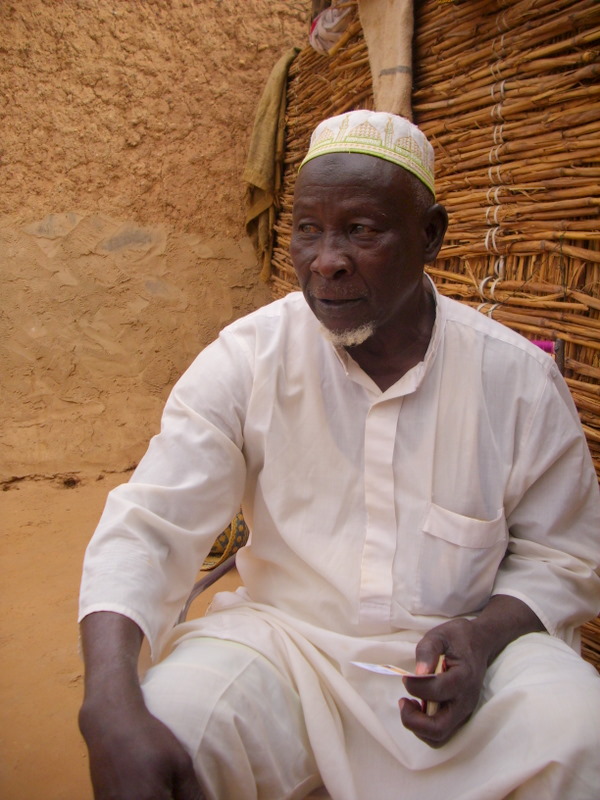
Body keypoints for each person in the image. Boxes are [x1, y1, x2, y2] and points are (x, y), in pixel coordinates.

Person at [78, 110, 600, 800]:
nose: (327, 259)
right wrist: (107, 705)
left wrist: (483, 637)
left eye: (361, 229)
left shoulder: (515, 380)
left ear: (430, 235)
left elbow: (563, 557)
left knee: (579, 736)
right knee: (172, 730)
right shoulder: (248, 357)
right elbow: (149, 526)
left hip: (462, 657)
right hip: (282, 647)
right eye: (308, 230)